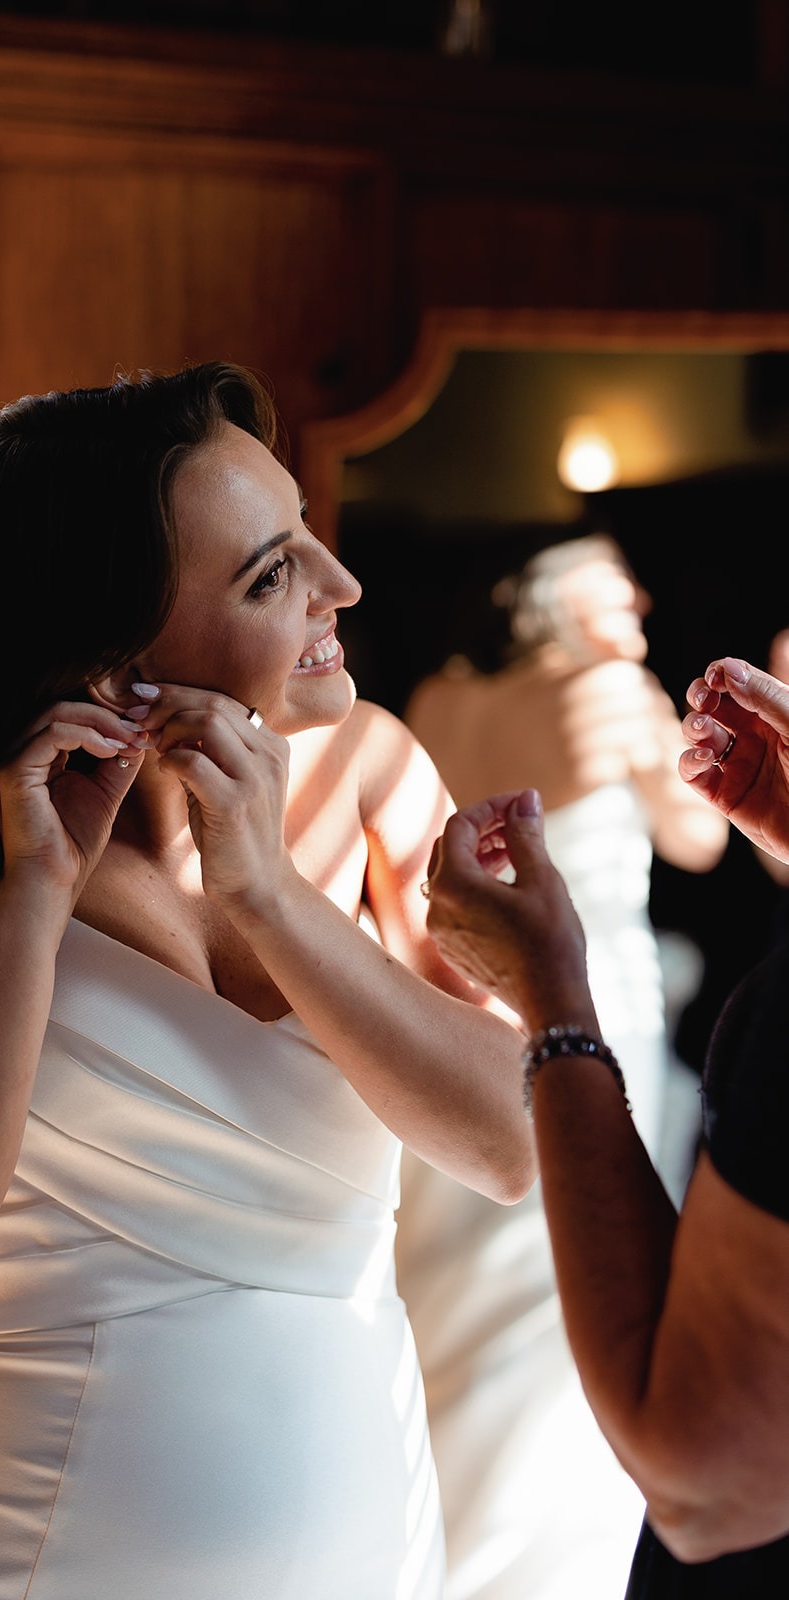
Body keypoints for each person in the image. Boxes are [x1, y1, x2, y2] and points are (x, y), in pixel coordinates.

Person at [0, 362, 534, 1600]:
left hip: (359, 1522)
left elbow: (512, 1140)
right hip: (16, 1537)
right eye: (268, 572)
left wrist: (271, 898)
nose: (337, 588)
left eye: (304, 541)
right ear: (105, 653)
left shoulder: (373, 773)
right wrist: (31, 899)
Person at [393, 532, 728, 1600]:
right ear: (540, 597)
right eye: (602, 577)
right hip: (587, 1006)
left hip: (467, 1000)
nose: (631, 591)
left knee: (464, 1268)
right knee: (590, 1267)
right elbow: (696, 837)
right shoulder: (611, 692)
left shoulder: (436, 700)